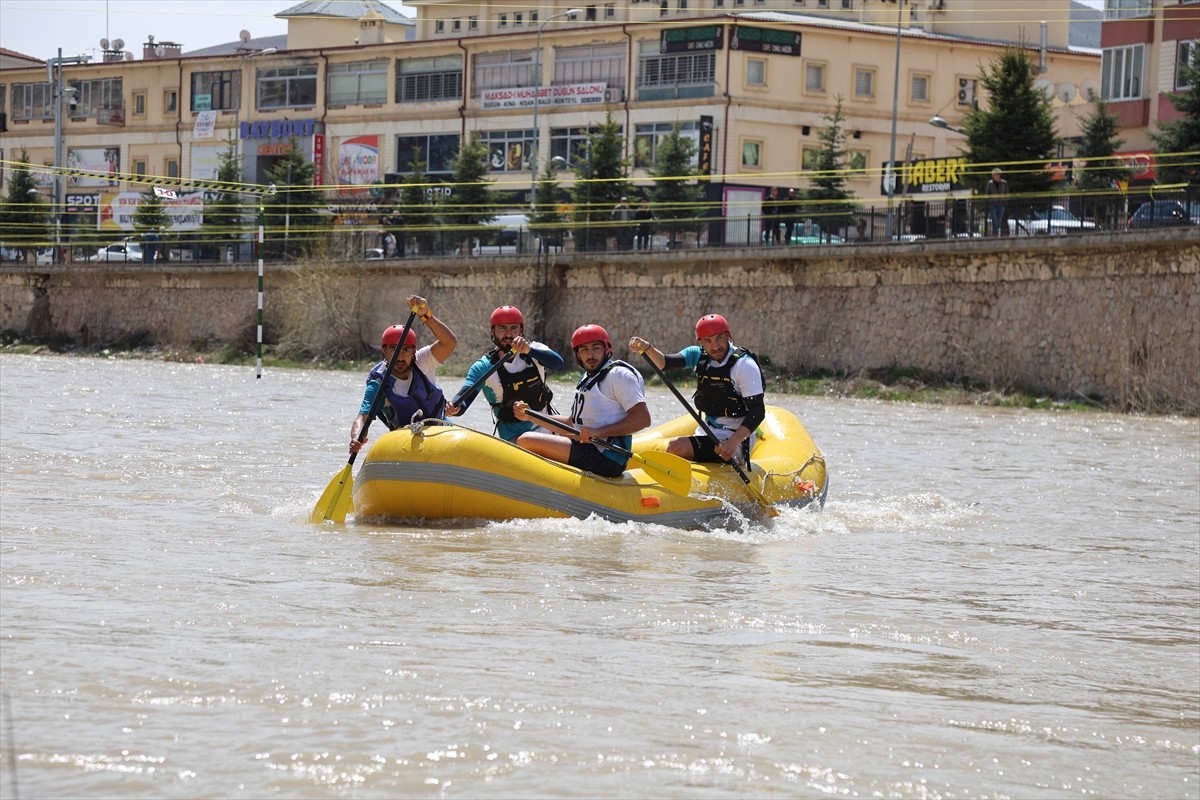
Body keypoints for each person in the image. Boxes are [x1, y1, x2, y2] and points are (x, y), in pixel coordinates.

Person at [512, 324, 650, 478]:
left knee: (526, 440)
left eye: (595, 347)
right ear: (578, 355)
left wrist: (599, 433)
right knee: (526, 438)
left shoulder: (619, 375)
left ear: (606, 348)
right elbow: (571, 424)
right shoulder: (586, 379)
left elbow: (643, 419)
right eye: (583, 349)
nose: (590, 354)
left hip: (608, 458)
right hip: (587, 450)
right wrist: (531, 416)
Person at [628, 313, 765, 465]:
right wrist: (647, 348)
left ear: (728, 335)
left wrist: (732, 443)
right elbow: (664, 363)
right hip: (709, 431)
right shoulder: (698, 355)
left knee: (675, 447)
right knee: (675, 449)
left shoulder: (744, 364)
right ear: (700, 342)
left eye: (719, 338)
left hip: (736, 439)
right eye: (708, 341)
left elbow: (758, 411)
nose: (715, 346)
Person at [348, 295, 457, 455]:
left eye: (406, 350)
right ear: (384, 351)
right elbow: (362, 418)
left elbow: (449, 343)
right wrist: (356, 438)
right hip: (406, 441)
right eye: (394, 349)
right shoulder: (378, 383)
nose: (400, 356)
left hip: (439, 433)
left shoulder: (423, 361)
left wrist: (426, 315)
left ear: (413, 351)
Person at [445, 305, 564, 442]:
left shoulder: (534, 350)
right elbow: (464, 399)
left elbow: (558, 363)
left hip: (548, 431)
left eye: (514, 328)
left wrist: (529, 350)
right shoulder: (483, 367)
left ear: (521, 331)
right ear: (492, 332)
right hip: (514, 438)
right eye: (502, 328)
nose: (508, 334)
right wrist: (454, 407)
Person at [985, 168, 1008, 237]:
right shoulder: (990, 183)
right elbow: (987, 193)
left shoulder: (1004, 183)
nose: (996, 176)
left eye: (997, 174)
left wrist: (1005, 201)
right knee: (994, 219)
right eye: (995, 174)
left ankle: (996, 232)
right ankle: (996, 232)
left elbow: (1006, 193)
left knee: (999, 219)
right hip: (993, 205)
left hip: (1001, 204)